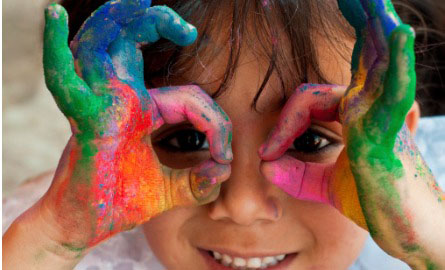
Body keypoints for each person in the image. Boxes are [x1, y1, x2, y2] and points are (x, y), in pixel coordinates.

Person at [3, 0, 445, 269]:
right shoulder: (63, 241)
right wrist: (55, 239)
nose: (242, 208)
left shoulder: (431, 226)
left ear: (405, 151)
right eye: (186, 140)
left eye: (310, 141)